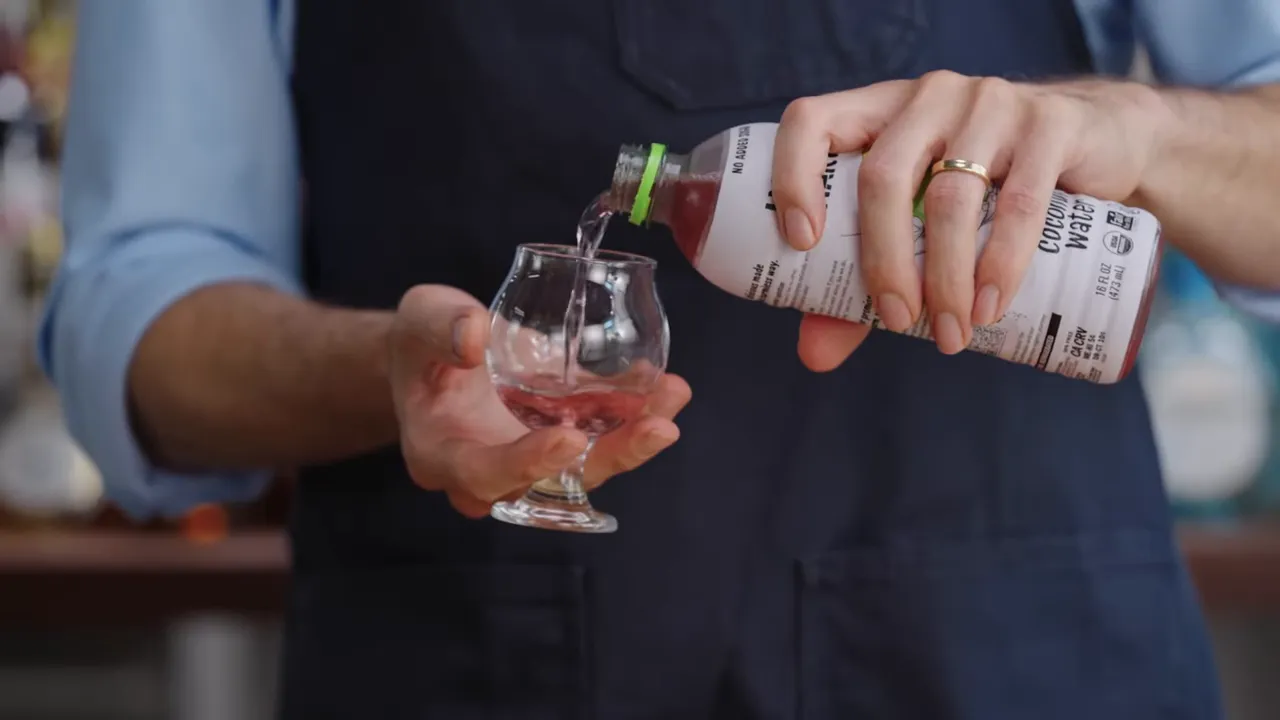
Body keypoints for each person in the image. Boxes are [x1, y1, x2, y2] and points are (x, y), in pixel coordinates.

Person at [40, 0, 1280, 717]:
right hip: (478, 664)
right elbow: (138, 316)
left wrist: (1142, 126)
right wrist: (389, 368)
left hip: (1022, 659)